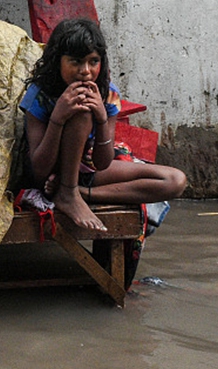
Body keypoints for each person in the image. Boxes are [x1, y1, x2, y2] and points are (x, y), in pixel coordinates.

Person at [21, 18, 186, 231]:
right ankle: (68, 192)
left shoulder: (107, 93)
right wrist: (58, 119)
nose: (86, 71)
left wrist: (101, 117)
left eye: (93, 61)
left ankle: (79, 193)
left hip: (85, 170)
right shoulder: (40, 95)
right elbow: (39, 168)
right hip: (46, 176)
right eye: (75, 62)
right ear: (58, 60)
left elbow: (103, 162)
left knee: (175, 180)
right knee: (81, 112)